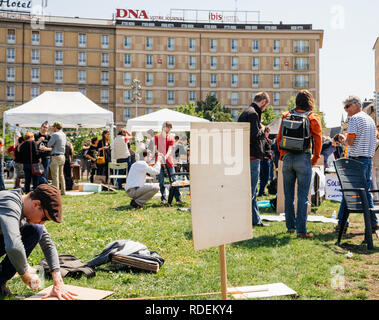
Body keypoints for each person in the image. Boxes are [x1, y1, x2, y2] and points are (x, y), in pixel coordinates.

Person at [0, 184, 77, 299]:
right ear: (36, 204)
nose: (43, 223)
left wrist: (57, 281)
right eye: (44, 218)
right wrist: (25, 273)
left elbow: (47, 244)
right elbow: (14, 246)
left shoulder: (24, 208)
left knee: (36, 230)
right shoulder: (10, 204)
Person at [277, 90, 322, 238]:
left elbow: (279, 139)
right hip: (303, 158)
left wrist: (283, 155)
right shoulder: (312, 118)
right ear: (310, 101)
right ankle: (301, 231)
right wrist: (314, 159)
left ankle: (290, 227)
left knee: (288, 195)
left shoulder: (286, 116)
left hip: (288, 158)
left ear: (296, 101)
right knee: (303, 196)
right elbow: (318, 141)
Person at [335, 96, 379, 234]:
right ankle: (373, 223)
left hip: (356, 160)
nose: (346, 110)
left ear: (355, 105)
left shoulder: (354, 119)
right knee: (365, 192)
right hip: (367, 159)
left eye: (347, 106)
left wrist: (343, 140)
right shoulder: (370, 120)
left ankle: (342, 223)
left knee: (348, 191)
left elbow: (350, 141)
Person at [238, 92, 271, 227]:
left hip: (245, 155)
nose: (265, 109)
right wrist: (262, 129)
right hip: (252, 157)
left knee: (249, 190)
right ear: (263, 101)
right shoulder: (253, 114)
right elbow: (254, 136)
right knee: (251, 190)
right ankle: (252, 220)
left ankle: (254, 219)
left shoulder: (247, 112)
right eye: (266, 106)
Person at [154, 121, 183, 205]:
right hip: (159, 162)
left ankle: (178, 198)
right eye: (168, 127)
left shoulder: (171, 138)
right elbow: (155, 148)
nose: (169, 129)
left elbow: (170, 149)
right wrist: (159, 155)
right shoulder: (157, 137)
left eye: (170, 127)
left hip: (169, 162)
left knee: (174, 180)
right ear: (164, 127)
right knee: (161, 181)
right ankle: (163, 199)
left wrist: (165, 156)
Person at [40, 122, 67, 195]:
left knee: (55, 176)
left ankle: (56, 192)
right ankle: (63, 191)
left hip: (55, 156)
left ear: (55, 127)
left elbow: (49, 144)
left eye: (53, 127)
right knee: (61, 175)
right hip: (62, 156)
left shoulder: (55, 135)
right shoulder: (64, 134)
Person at [258, 126, 272, 197]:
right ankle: (261, 192)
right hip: (264, 160)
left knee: (266, 177)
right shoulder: (263, 140)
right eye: (267, 132)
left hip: (267, 160)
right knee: (264, 177)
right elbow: (262, 150)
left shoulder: (267, 140)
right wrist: (265, 155)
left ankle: (262, 191)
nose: (268, 133)